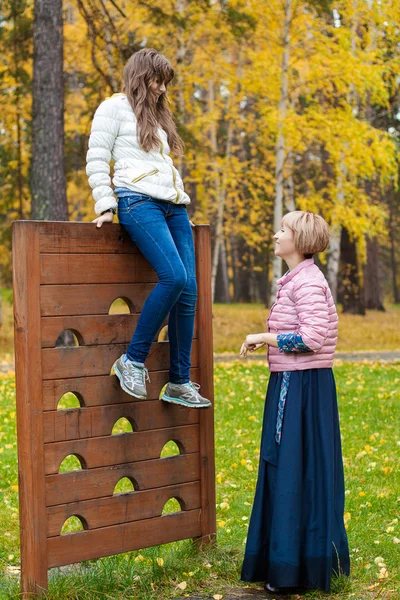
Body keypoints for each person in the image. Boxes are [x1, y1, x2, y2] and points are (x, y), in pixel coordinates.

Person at [86, 48, 211, 409]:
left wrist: (177, 197)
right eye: (157, 80)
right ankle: (132, 360)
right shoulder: (113, 107)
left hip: (173, 206)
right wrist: (106, 205)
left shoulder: (156, 115)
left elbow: (162, 165)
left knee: (188, 291)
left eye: (165, 83)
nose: (161, 88)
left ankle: (179, 381)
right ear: (141, 76)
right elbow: (97, 157)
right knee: (173, 276)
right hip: (137, 201)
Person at [239, 211, 350, 593]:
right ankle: (286, 562)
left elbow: (313, 336)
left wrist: (263, 336)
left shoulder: (307, 282)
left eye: (282, 230)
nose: (275, 235)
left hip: (303, 388)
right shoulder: (296, 280)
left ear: (299, 241)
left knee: (294, 470)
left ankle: (294, 569)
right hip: (292, 382)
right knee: (287, 469)